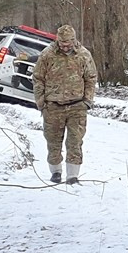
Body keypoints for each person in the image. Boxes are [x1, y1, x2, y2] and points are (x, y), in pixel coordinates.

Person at [32, 24, 97, 184]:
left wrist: (87, 100)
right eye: (62, 43)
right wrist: (41, 101)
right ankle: (55, 172)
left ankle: (72, 176)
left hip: (77, 106)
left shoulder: (83, 55)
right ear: (57, 40)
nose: (65, 46)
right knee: (53, 142)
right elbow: (38, 78)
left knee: (75, 142)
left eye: (68, 43)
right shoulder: (47, 55)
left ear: (73, 41)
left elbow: (91, 78)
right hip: (53, 106)